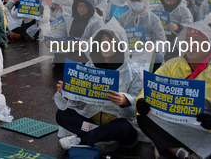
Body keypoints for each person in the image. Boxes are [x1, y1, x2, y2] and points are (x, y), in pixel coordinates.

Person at [136, 22, 211, 159]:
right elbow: (151, 88)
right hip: (175, 124)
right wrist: (142, 100)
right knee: (143, 116)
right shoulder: (170, 65)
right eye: (188, 39)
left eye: (197, 40)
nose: (192, 44)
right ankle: (180, 152)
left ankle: (168, 148)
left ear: (209, 44)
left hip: (205, 128)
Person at [55, 19, 146, 153]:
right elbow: (79, 98)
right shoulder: (92, 65)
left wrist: (126, 101)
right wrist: (67, 92)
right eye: (103, 43)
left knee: (123, 127)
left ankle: (83, 140)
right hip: (93, 122)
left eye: (110, 44)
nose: (105, 47)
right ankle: (102, 136)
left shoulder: (133, 71)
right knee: (62, 115)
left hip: (119, 121)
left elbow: (140, 105)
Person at [45, 0, 104, 64]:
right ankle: (69, 64)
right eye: (79, 6)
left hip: (83, 50)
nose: (81, 8)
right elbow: (61, 30)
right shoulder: (72, 18)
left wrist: (85, 46)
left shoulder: (97, 21)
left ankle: (69, 63)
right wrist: (51, 38)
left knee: (77, 57)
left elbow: (99, 40)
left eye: (84, 6)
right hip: (70, 47)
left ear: (90, 6)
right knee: (57, 50)